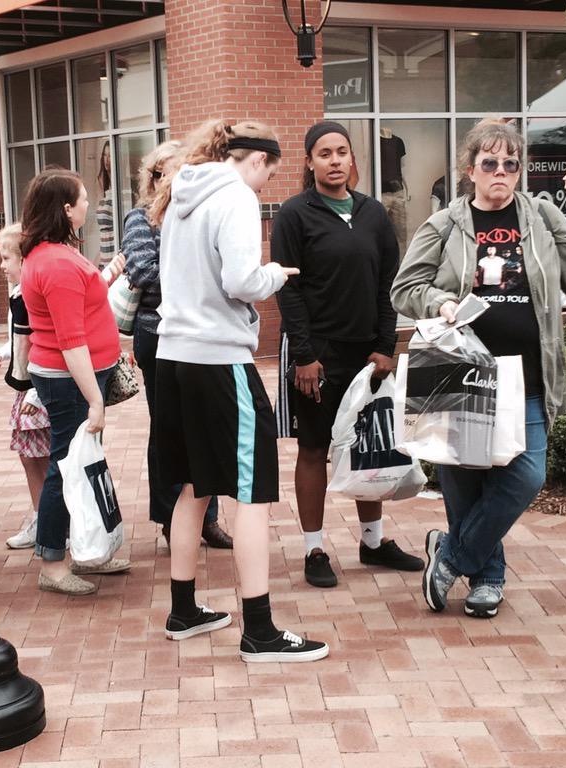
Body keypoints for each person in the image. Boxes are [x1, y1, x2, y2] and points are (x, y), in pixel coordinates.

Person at [391, 118, 566, 619]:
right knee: (466, 481)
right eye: (490, 163)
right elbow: (404, 288)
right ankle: (488, 577)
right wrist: (440, 300)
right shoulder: (445, 224)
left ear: (520, 170)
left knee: (526, 475)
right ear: (470, 169)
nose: (501, 171)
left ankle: (452, 555)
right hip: (461, 372)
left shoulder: (542, 218)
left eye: (510, 163)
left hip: (526, 375)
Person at [150, 118, 328, 663]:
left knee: (191, 486)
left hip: (173, 357)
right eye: (267, 176)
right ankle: (260, 631)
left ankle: (184, 610)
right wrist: (276, 273)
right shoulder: (235, 196)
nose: (264, 187)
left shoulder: (182, 192)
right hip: (218, 360)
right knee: (251, 494)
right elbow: (239, 281)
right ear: (257, 160)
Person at [272, 120, 423, 589]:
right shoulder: (295, 214)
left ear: (351, 159)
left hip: (365, 353)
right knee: (314, 448)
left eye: (342, 152)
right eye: (324, 153)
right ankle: (314, 549)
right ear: (309, 162)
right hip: (316, 353)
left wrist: (384, 347)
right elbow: (289, 292)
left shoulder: (374, 213)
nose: (335, 161)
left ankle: (373, 542)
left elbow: (386, 286)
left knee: (371, 445)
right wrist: (303, 354)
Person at [20, 168, 130, 595]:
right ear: (66, 209)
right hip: (69, 380)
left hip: (73, 377)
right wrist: (95, 402)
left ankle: (89, 548)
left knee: (79, 465)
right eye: (83, 199)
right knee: (65, 468)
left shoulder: (54, 254)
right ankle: (52, 562)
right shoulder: (56, 262)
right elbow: (70, 341)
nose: (89, 204)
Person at [123, 140, 233, 550]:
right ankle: (172, 517)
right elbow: (140, 271)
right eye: (166, 171)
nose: (176, 178)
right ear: (151, 178)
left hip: (203, 332)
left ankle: (208, 519)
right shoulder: (140, 218)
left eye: (184, 169)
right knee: (169, 429)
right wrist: (197, 279)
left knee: (207, 426)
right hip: (159, 332)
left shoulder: (201, 214)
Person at [0, 223, 51, 550]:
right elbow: (17, 338)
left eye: (6, 258)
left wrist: (36, 393)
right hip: (27, 387)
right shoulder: (17, 294)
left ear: (25, 261)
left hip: (36, 389)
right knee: (31, 458)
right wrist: (4, 352)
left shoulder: (30, 295)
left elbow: (43, 342)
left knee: (44, 459)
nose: (2, 266)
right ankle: (43, 516)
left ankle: (52, 520)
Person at [95, 141, 114, 269]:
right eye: (104, 155)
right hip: (104, 258)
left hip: (114, 256)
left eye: (110, 155)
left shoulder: (121, 187)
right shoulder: (103, 183)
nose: (107, 160)